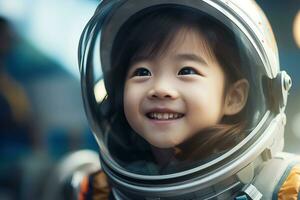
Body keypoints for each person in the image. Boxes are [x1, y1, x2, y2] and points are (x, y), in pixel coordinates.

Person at [77, 0, 296, 199]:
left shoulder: (283, 188)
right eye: (142, 72)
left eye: (186, 70)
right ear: (118, 91)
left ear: (233, 97)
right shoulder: (99, 190)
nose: (160, 89)